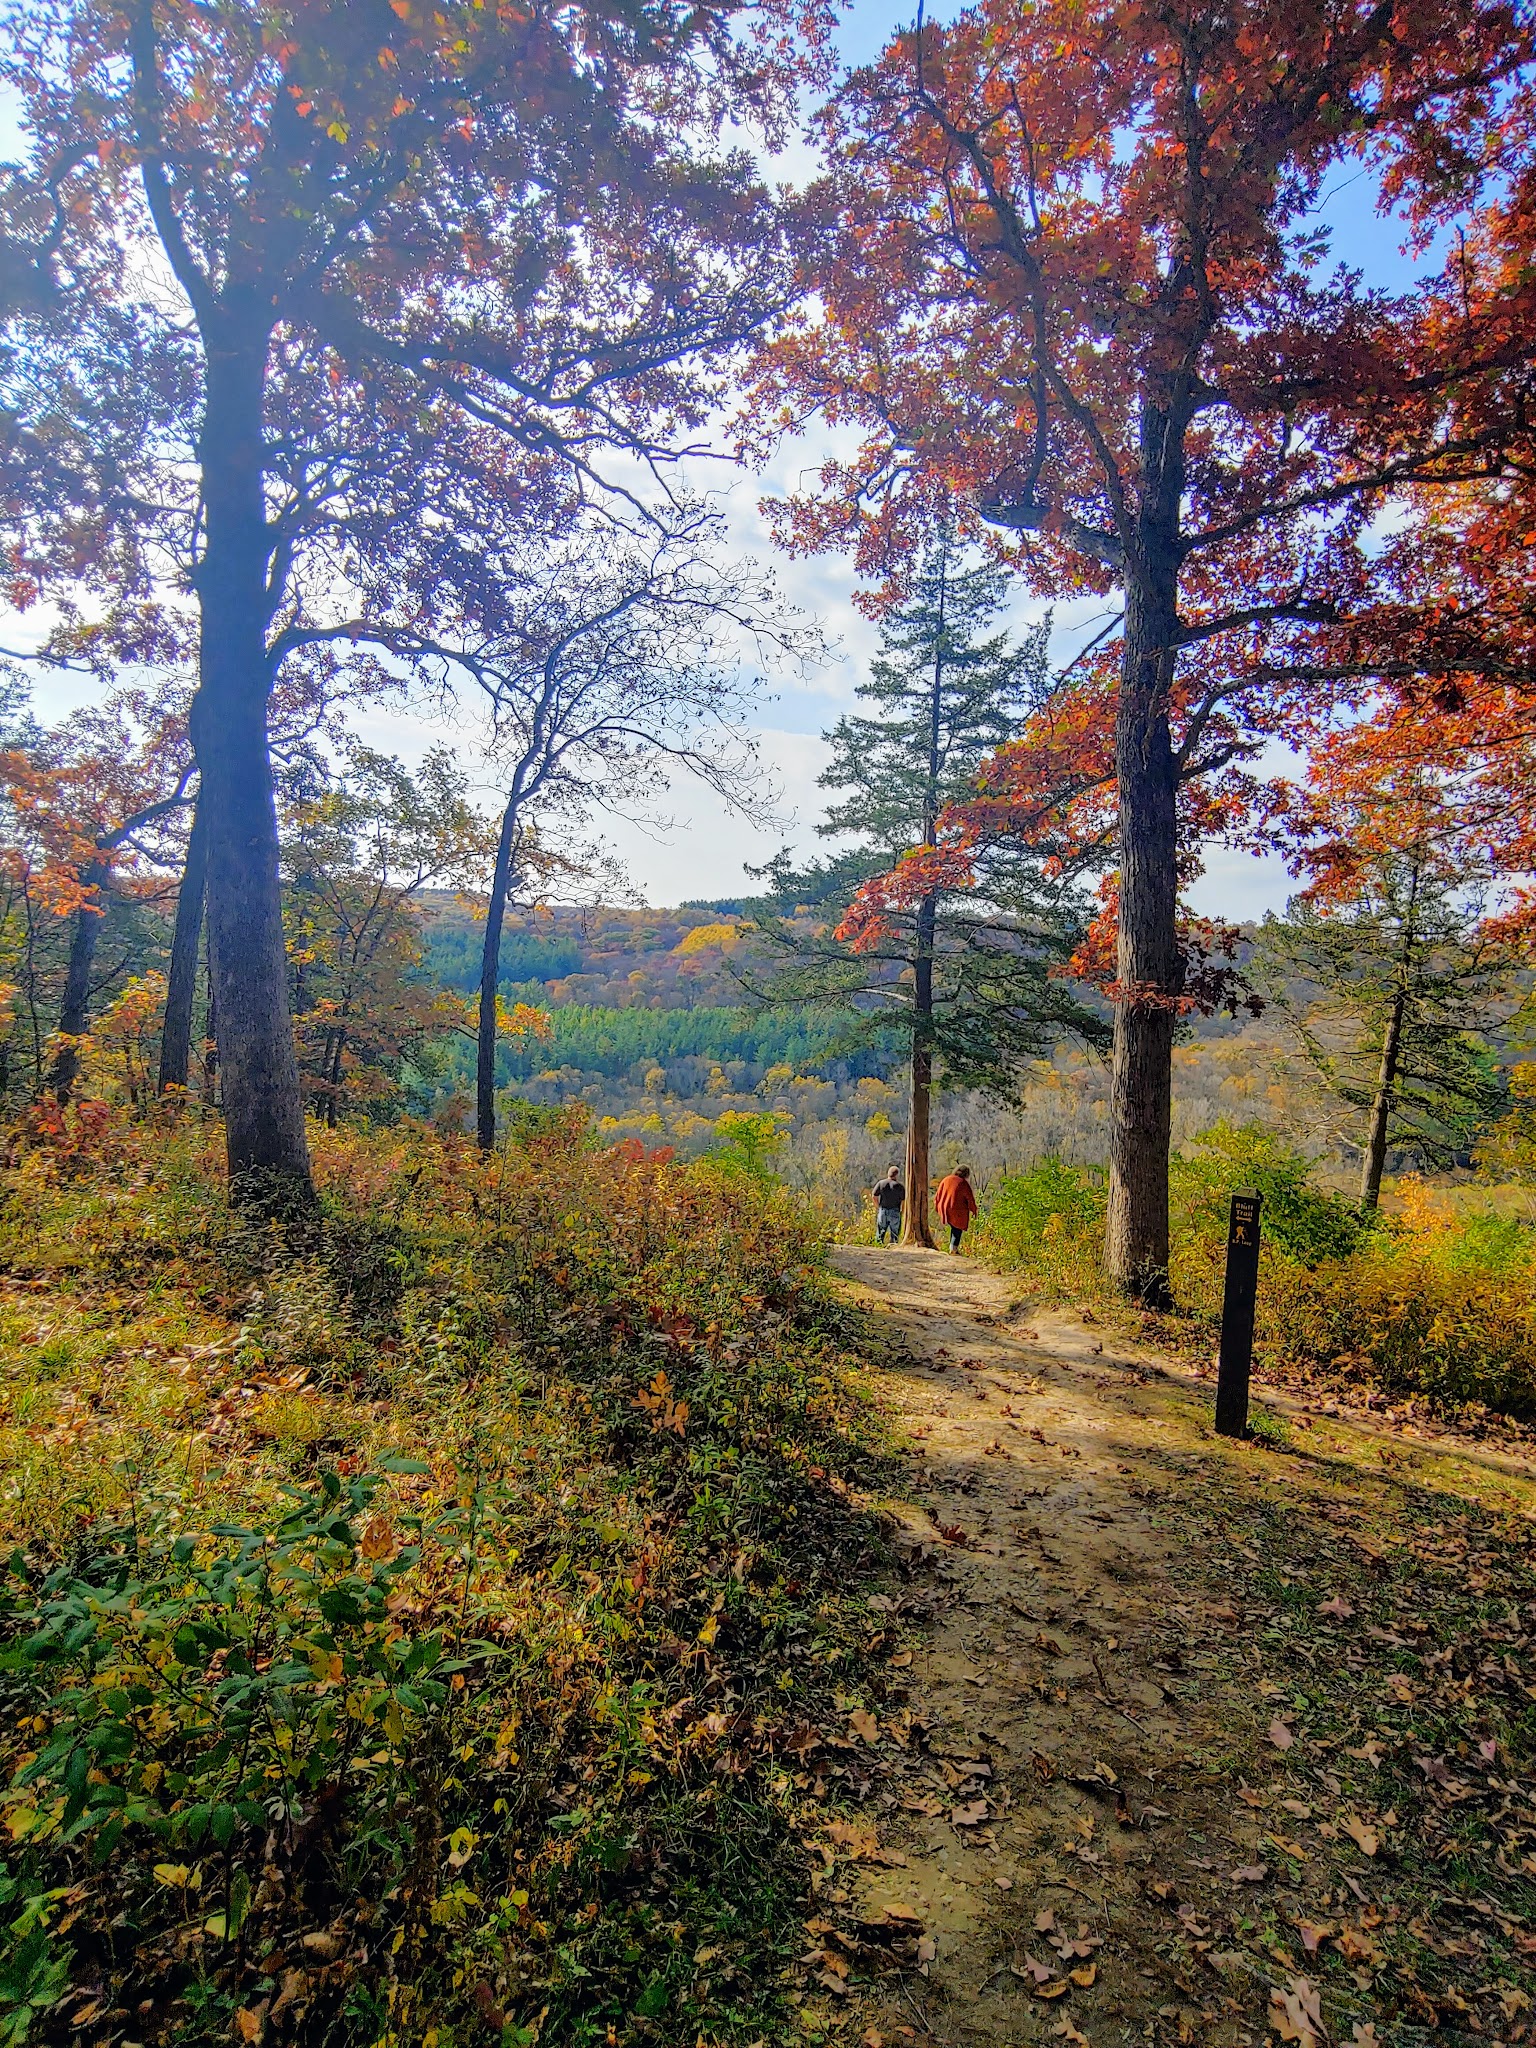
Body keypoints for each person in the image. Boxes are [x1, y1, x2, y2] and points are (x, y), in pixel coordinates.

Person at [934, 1164, 978, 1253]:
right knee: (957, 1230)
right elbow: (970, 1199)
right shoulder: (963, 1183)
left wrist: (938, 1206)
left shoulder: (946, 1180)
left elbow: (938, 1195)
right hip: (958, 1210)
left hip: (945, 1208)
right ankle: (953, 1249)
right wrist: (974, 1210)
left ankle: (952, 1248)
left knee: (954, 1229)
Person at [872, 1165, 905, 1244]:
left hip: (883, 1210)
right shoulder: (900, 1187)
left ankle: (878, 1247)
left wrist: (878, 1206)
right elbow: (904, 1201)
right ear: (896, 1175)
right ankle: (893, 1248)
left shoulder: (881, 1183)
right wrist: (902, 1211)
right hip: (895, 1211)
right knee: (894, 1233)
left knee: (880, 1232)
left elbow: (874, 1196)